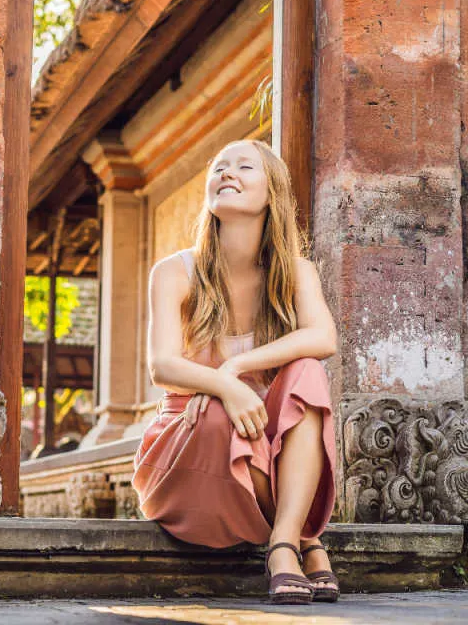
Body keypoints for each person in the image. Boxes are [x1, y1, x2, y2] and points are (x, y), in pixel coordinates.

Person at [132, 139, 339, 605]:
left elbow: (323, 338)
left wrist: (236, 368)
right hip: (192, 443)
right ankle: (304, 538)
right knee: (217, 414)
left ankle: (283, 543)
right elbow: (162, 366)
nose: (226, 173)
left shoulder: (296, 272)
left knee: (307, 370)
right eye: (219, 167)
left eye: (244, 166)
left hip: (265, 444)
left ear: (272, 193)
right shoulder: (175, 272)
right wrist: (223, 389)